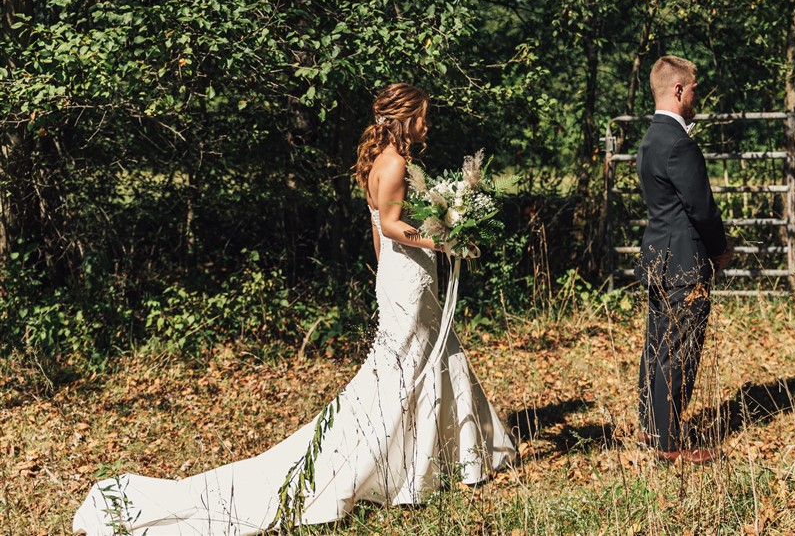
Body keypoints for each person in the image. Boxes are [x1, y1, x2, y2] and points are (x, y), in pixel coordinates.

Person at [73, 83, 516, 535]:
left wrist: (392, 273)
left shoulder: (378, 162)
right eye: (422, 116)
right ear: (403, 119)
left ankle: (443, 462)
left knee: (431, 357)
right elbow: (391, 223)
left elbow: (376, 231)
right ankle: (422, 466)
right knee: (407, 372)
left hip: (400, 279)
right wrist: (443, 241)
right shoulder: (398, 163)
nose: (428, 124)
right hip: (406, 278)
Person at [635, 56, 734, 464]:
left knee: (657, 346)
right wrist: (721, 250)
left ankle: (652, 427)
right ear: (678, 90)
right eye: (694, 88)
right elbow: (702, 209)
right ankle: (670, 444)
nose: (697, 96)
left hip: (658, 257)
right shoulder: (679, 143)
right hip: (683, 264)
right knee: (680, 351)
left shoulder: (649, 139)